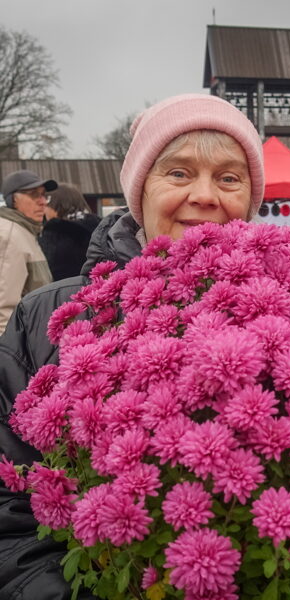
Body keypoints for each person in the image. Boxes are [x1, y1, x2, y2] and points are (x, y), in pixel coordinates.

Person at [0, 93, 264, 599]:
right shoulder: (45, 319)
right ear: (139, 192)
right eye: (179, 173)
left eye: (229, 178)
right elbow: (7, 516)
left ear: (251, 203)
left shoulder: (286, 311)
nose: (205, 195)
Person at [0, 170, 56, 334]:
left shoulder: (25, 231)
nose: (43, 202)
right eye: (34, 195)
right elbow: (3, 310)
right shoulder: (9, 235)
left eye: (44, 195)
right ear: (13, 200)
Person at [39, 184, 101, 280]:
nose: (44, 210)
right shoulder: (99, 227)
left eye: (46, 205)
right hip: (95, 290)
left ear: (57, 205)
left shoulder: (55, 232)